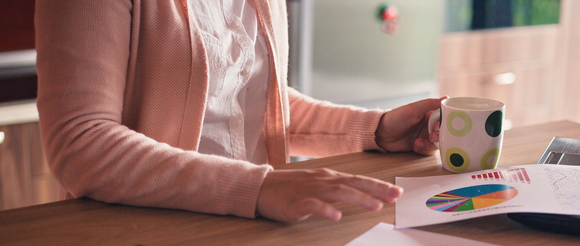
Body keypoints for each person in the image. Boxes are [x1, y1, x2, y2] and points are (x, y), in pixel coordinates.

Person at [35, 0, 441, 223]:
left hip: (247, 228)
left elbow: (252, 103)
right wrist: (258, 189)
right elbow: (80, 142)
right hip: (139, 239)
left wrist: (375, 129)